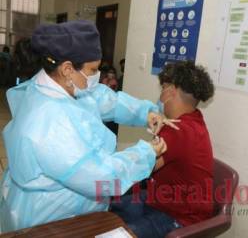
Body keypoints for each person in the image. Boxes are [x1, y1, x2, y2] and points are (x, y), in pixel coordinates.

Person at [0, 20, 180, 233]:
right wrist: (145, 153)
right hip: (49, 217)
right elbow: (101, 177)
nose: (97, 76)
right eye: (93, 70)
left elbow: (104, 99)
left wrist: (145, 113)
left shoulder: (57, 84)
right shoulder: (50, 122)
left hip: (70, 208)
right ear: (67, 69)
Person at [111, 61, 215, 238]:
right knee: (114, 208)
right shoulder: (195, 119)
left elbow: (137, 169)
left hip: (181, 217)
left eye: (162, 89)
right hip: (164, 200)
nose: (160, 97)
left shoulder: (177, 130)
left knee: (115, 234)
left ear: (170, 91)